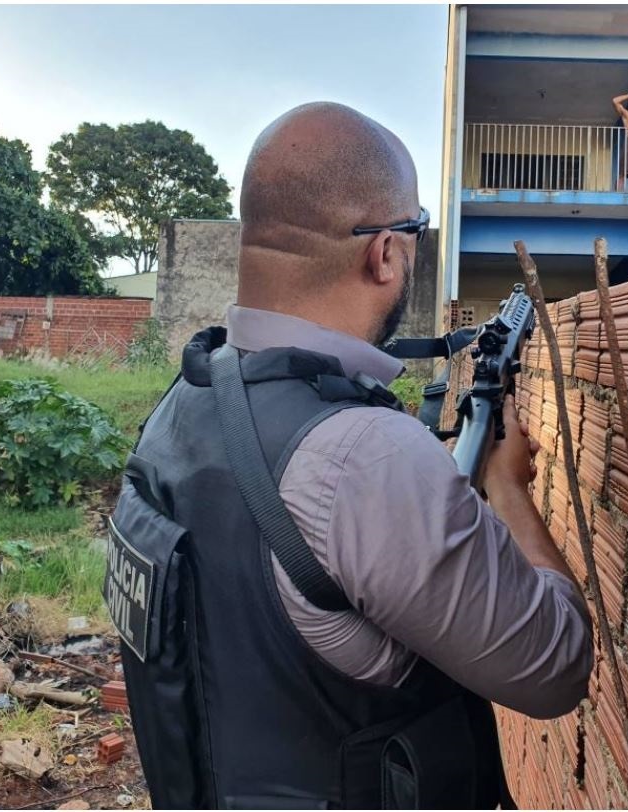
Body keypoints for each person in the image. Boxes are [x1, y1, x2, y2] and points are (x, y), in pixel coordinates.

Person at [106, 101, 593, 810]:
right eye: (416, 230)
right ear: (385, 251)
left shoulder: (187, 397)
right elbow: (554, 669)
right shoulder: (361, 457)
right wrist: (505, 488)